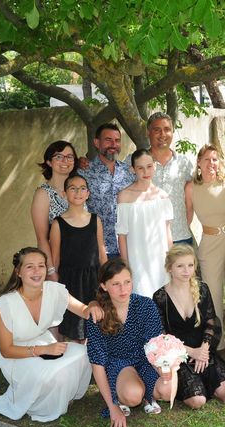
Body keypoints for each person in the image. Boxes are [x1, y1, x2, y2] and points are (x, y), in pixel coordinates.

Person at [0, 247, 101, 422]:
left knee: (83, 353)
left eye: (41, 266)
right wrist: (43, 350)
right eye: (30, 267)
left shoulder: (54, 290)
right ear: (18, 272)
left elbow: (84, 310)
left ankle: (65, 396)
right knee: (54, 371)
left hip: (47, 345)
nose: (37, 271)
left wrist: (93, 304)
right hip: (17, 356)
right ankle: (41, 402)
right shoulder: (5, 304)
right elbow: (6, 350)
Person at [86, 259, 172, 427]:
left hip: (144, 359)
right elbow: (97, 363)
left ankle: (146, 393)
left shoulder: (145, 305)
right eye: (116, 284)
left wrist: (163, 369)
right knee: (133, 395)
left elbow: (154, 345)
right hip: (118, 363)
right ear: (104, 285)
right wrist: (112, 407)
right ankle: (125, 397)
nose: (123, 289)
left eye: (127, 282)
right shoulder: (98, 314)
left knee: (168, 388)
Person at [152, 245, 225, 409]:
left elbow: (212, 322)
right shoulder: (160, 297)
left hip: (203, 351)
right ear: (170, 268)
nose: (186, 271)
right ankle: (192, 386)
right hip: (179, 357)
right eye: (180, 266)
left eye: (190, 265)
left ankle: (203, 382)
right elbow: (162, 336)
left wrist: (203, 351)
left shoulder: (202, 289)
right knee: (197, 401)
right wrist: (191, 352)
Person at [184, 145, 225, 355]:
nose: (212, 163)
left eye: (215, 159)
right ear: (199, 162)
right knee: (211, 293)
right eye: (208, 159)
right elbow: (187, 219)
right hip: (209, 243)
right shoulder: (191, 188)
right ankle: (216, 339)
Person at [49, 174, 107, 342]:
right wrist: (57, 288)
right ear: (64, 193)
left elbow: (102, 254)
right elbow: (55, 259)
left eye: (82, 188)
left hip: (94, 280)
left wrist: (107, 280)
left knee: (96, 327)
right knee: (75, 331)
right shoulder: (58, 223)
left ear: (88, 193)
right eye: (73, 188)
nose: (78, 192)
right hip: (71, 282)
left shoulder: (95, 220)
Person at [116, 149, 173, 296]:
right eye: (140, 168)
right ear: (133, 169)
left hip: (160, 261)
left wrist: (171, 261)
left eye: (149, 166)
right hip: (137, 262)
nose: (145, 171)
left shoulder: (163, 196)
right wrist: (125, 266)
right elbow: (122, 234)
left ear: (154, 166)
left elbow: (167, 233)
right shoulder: (124, 196)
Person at [78, 123, 134, 258]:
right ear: (97, 143)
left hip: (129, 248)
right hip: (98, 250)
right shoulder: (84, 173)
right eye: (108, 140)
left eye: (117, 140)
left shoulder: (130, 173)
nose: (113, 144)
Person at [142, 112, 195, 245]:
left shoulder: (185, 163)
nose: (163, 135)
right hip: (149, 239)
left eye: (167, 130)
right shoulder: (136, 162)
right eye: (157, 130)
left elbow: (194, 195)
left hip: (180, 237)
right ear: (148, 132)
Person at [31, 141, 77, 282]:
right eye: (59, 156)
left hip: (83, 264)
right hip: (59, 265)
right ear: (49, 162)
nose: (65, 161)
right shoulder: (43, 194)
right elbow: (42, 239)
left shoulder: (79, 189)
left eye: (70, 157)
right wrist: (51, 271)